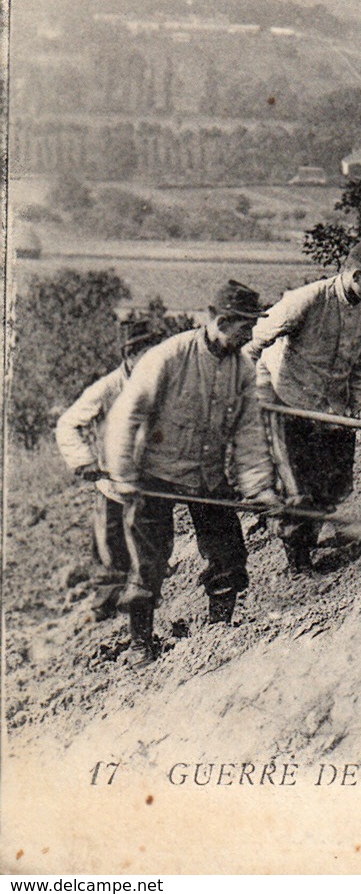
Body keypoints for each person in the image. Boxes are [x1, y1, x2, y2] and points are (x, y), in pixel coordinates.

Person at [103, 282, 280, 664]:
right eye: (244, 326)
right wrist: (123, 474)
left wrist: (259, 488)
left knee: (228, 554)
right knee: (149, 561)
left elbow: (248, 434)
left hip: (207, 476)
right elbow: (125, 414)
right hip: (155, 473)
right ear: (220, 320)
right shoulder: (169, 357)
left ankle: (218, 630)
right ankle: (139, 644)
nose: (249, 335)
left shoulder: (242, 369)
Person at [246, 238, 361, 573]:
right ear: (356, 273)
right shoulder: (308, 299)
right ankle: (298, 561)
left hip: (330, 401)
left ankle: (319, 530)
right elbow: (256, 340)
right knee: (296, 481)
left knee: (335, 477)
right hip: (285, 394)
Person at [55, 316, 166, 622]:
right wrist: (84, 461)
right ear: (129, 355)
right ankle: (104, 617)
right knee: (112, 554)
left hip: (150, 484)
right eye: (145, 353)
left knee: (149, 554)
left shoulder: (161, 383)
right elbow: (67, 424)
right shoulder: (106, 388)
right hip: (112, 487)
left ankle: (139, 611)